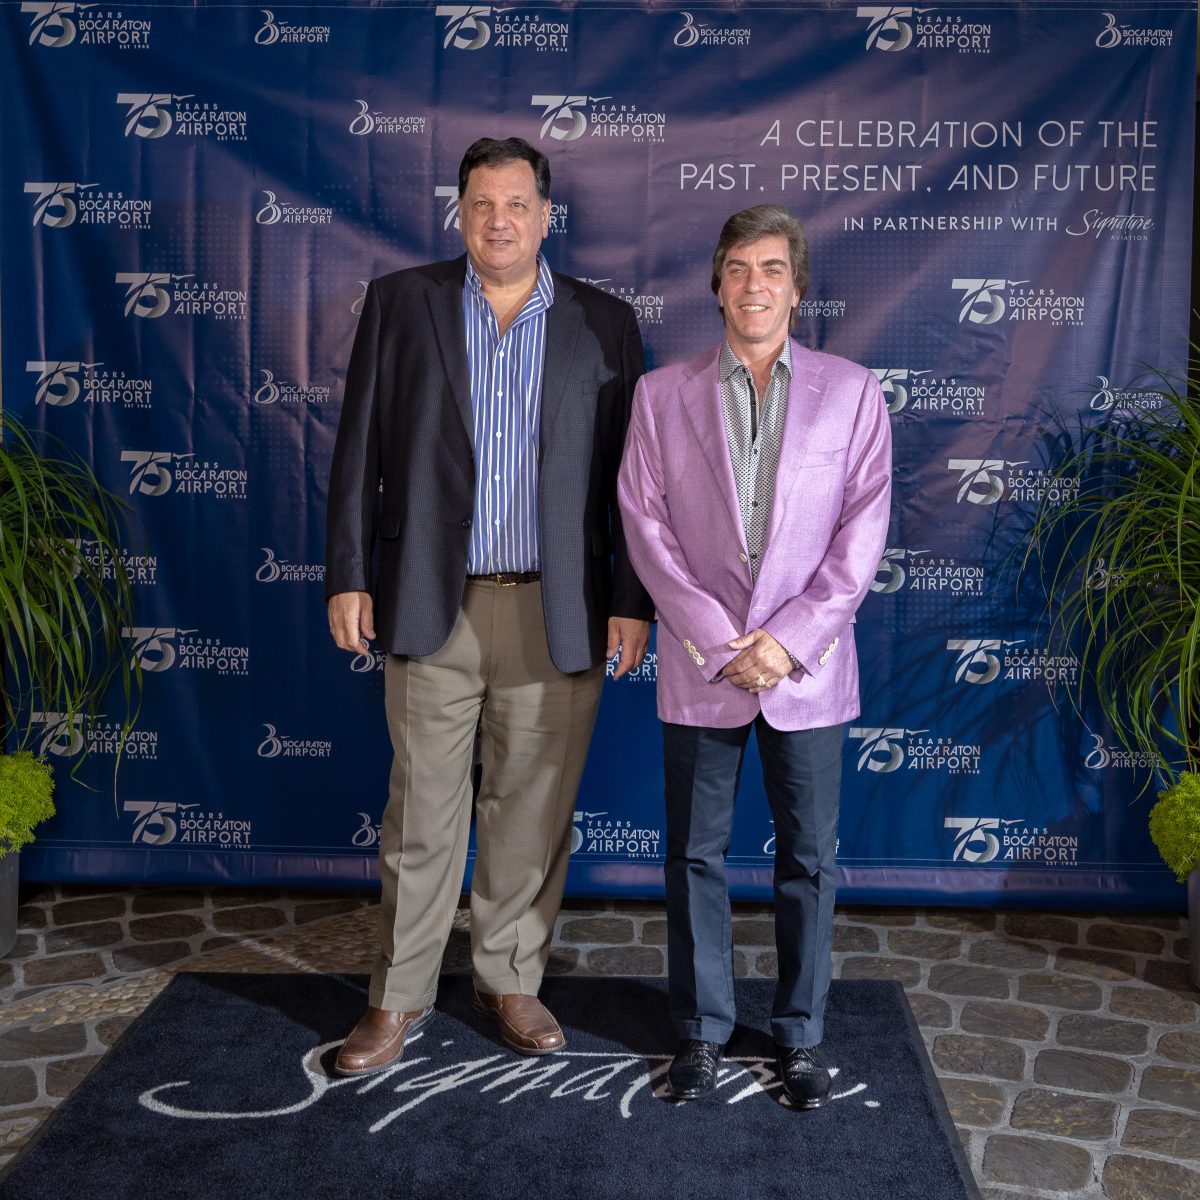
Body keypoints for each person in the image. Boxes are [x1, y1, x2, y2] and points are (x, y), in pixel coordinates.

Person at [325, 136, 652, 1075]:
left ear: (547, 216)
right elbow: (357, 450)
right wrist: (348, 573)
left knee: (531, 812)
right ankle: (397, 998)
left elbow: (635, 481)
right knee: (421, 816)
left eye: (516, 204)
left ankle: (509, 978)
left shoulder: (604, 322)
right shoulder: (402, 303)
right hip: (432, 602)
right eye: (481, 204)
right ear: (459, 214)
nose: (498, 220)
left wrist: (631, 600)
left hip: (560, 609)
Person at [617, 205, 892, 1108]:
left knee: (808, 859)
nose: (754, 285)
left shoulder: (853, 392)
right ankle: (700, 1030)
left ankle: (799, 1035)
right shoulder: (661, 395)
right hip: (706, 666)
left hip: (806, 672)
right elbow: (645, 527)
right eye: (737, 268)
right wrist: (716, 639)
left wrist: (787, 642)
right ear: (716, 285)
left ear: (797, 288)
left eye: (772, 269)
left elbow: (862, 534)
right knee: (695, 855)